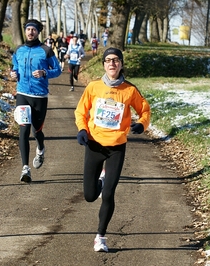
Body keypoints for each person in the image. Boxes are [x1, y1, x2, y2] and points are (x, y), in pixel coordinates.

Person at [74, 47, 151, 252]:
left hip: (117, 146)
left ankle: (100, 237)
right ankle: (99, 180)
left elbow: (144, 109)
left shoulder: (129, 90)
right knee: (90, 196)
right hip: (94, 144)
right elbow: (81, 111)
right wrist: (82, 130)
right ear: (104, 65)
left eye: (116, 60)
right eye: (108, 60)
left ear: (121, 64)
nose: (112, 64)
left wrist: (142, 124)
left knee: (108, 194)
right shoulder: (94, 87)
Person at [10, 19, 62, 183]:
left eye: (33, 30)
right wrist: (14, 74)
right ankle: (25, 168)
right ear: (25, 31)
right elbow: (15, 67)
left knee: (36, 131)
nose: (30, 32)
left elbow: (57, 70)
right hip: (22, 94)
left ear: (38, 32)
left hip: (39, 96)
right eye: (28, 29)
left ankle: (40, 149)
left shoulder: (46, 50)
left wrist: (44, 72)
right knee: (24, 130)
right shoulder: (19, 50)